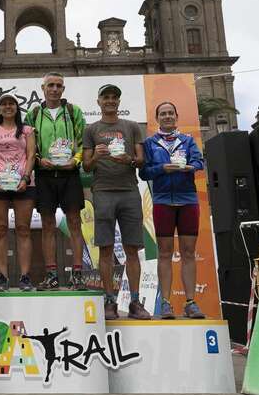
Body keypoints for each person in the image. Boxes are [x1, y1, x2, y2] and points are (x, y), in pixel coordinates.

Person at [82, 84, 151, 320]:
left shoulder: (131, 127)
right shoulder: (91, 129)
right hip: (102, 191)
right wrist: (96, 156)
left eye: (114, 97)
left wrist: (128, 159)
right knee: (106, 249)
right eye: (106, 97)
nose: (110, 101)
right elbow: (86, 166)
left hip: (129, 191)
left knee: (132, 249)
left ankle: (135, 301)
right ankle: (110, 301)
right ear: (99, 101)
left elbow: (141, 160)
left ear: (119, 102)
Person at [140, 101, 206, 319]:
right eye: (163, 113)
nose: (167, 116)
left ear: (176, 116)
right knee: (165, 253)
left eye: (170, 113)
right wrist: (162, 168)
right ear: (157, 118)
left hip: (187, 200)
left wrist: (190, 167)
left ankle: (190, 302)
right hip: (162, 201)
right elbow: (144, 172)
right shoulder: (150, 143)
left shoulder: (187, 140)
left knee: (188, 252)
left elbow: (199, 163)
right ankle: (166, 303)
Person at [24, 72, 87, 290]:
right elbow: (28, 146)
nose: (54, 89)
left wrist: (75, 160)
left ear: (63, 89)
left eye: (58, 86)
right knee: (47, 225)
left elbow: (83, 142)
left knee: (74, 223)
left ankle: (77, 275)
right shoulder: (33, 114)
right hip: (44, 174)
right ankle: (51, 275)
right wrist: (38, 160)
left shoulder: (73, 111)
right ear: (43, 88)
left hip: (70, 174)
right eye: (50, 85)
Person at [0, 94, 36, 292]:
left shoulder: (27, 130)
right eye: (4, 104)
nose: (7, 107)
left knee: (23, 229)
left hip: (23, 184)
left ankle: (25, 276)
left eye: (11, 104)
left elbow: (31, 154)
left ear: (16, 108)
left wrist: (25, 178)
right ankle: (2, 277)